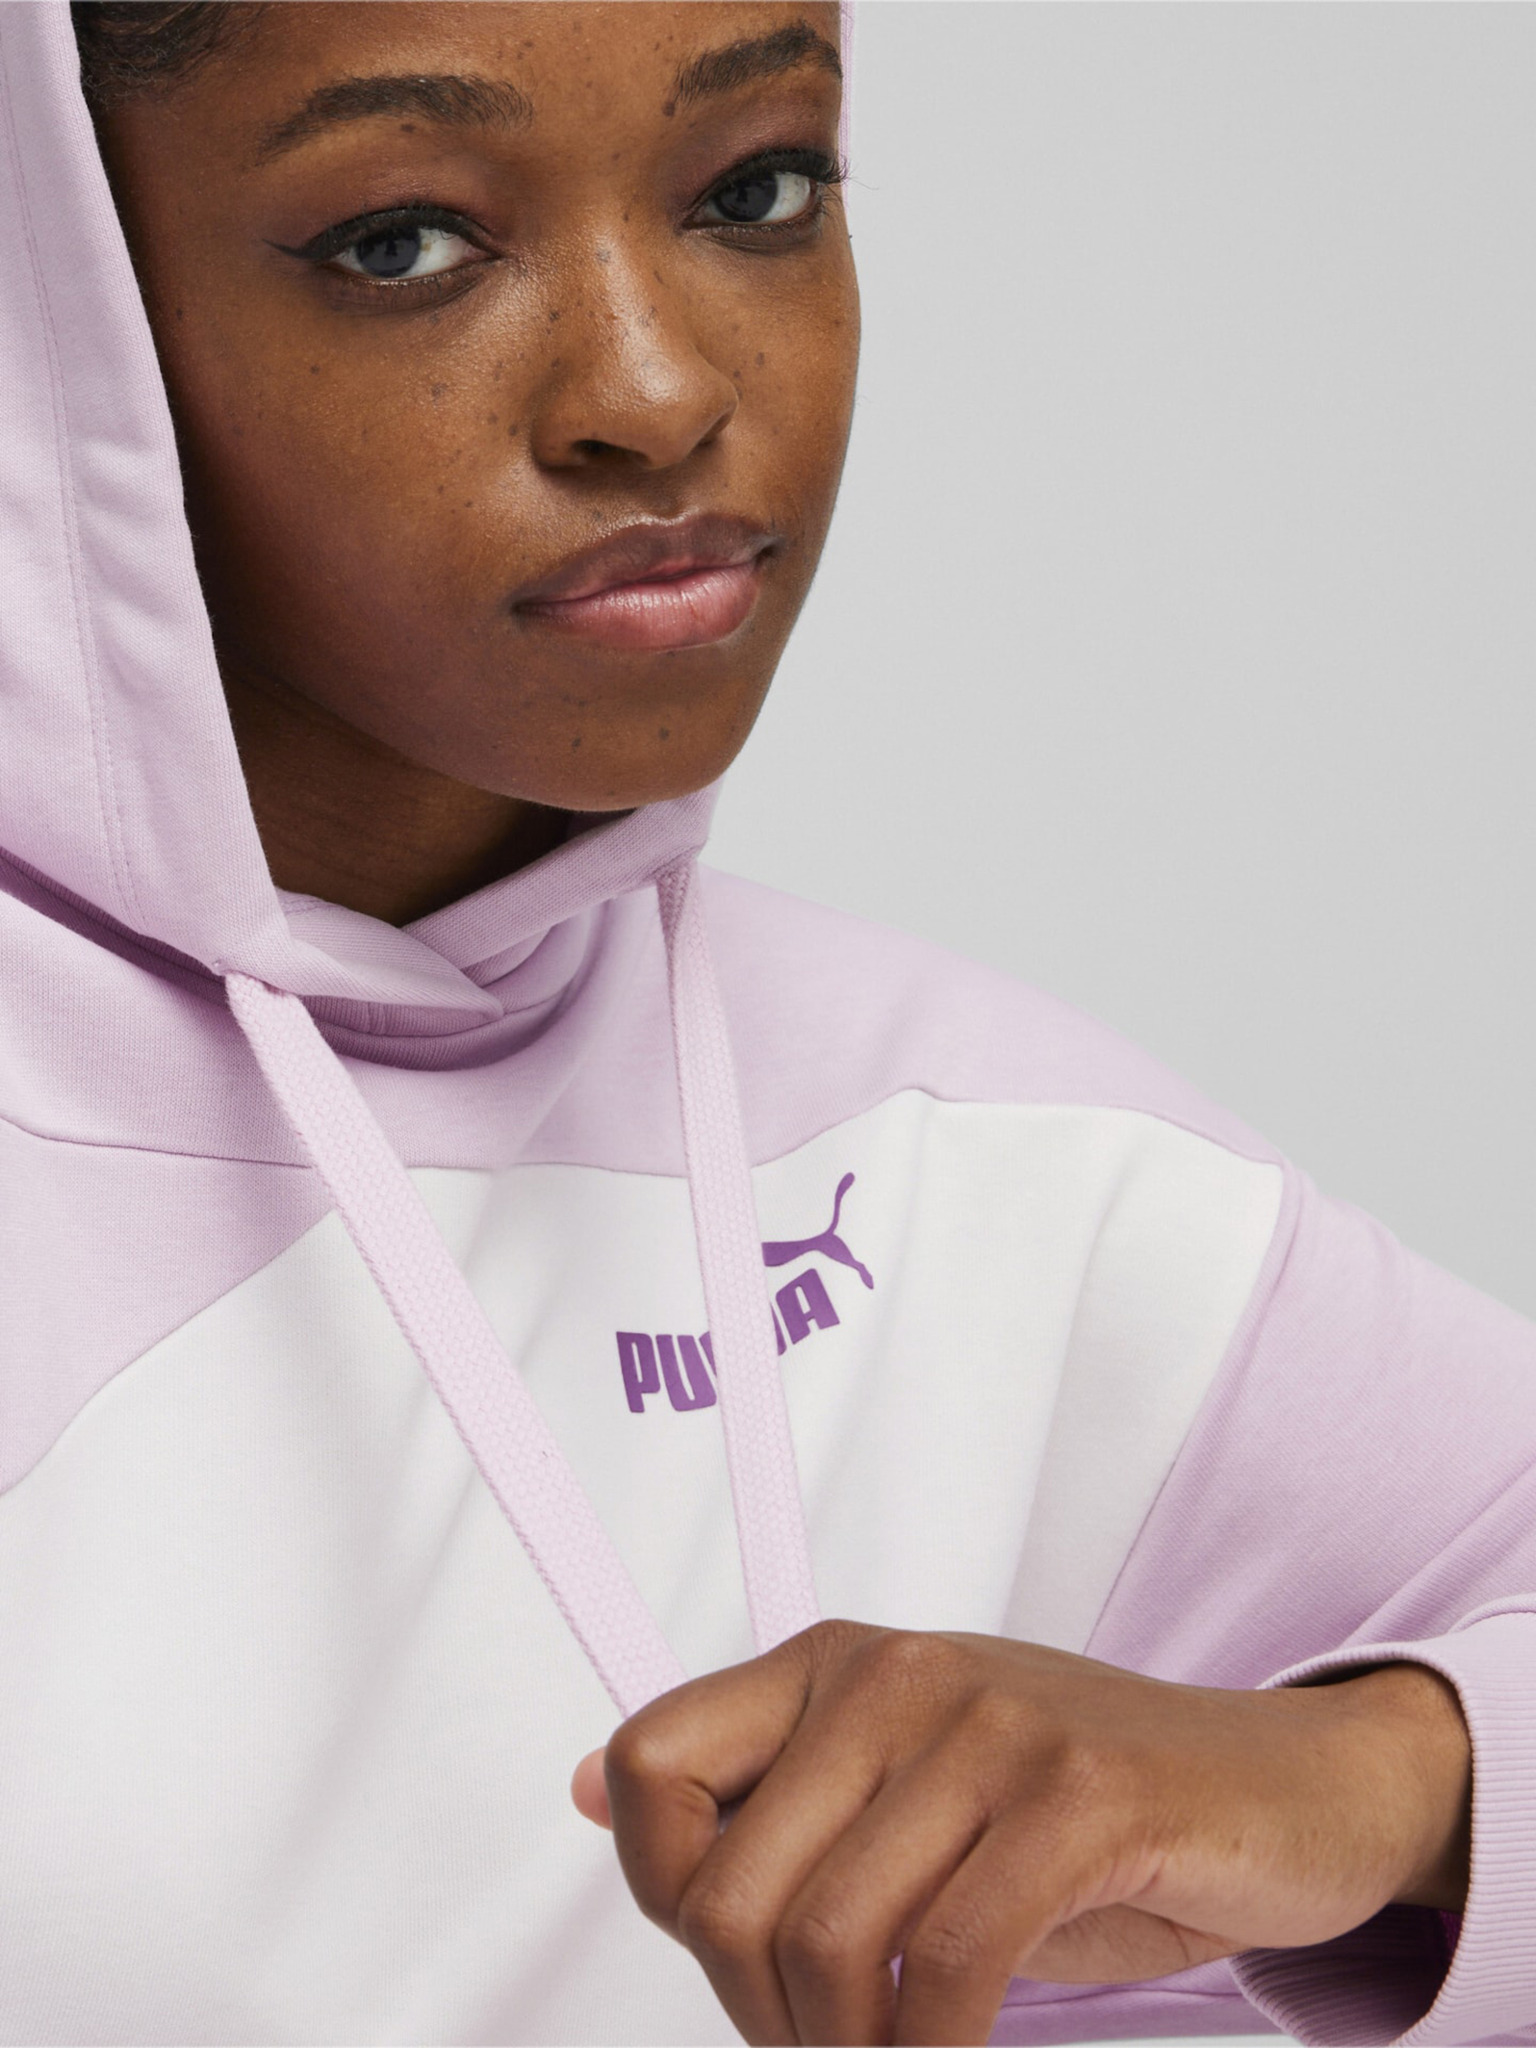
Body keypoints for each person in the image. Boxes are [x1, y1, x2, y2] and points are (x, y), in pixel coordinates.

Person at [1, 3, 1533, 2043]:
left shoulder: (1001, 1166)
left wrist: (1382, 1781)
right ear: (54, 296)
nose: (654, 391)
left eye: (756, 187)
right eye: (401, 243)